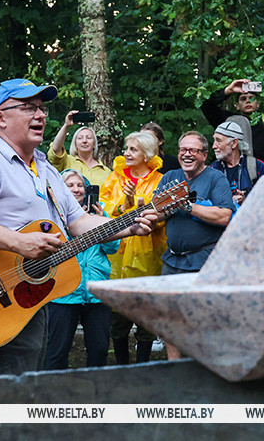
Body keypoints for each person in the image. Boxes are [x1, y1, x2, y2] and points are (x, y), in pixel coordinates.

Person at [0, 78, 157, 377]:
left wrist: (129, 225)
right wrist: (17, 242)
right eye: (28, 107)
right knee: (11, 394)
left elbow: (79, 222)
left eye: (41, 108)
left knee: (33, 387)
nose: (40, 115)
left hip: (35, 297)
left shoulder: (47, 169)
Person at [157, 131, 234, 360]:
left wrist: (187, 206)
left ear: (204, 155)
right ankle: (175, 367)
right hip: (172, 260)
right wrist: (152, 208)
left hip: (204, 261)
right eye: (182, 150)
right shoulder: (170, 176)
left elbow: (224, 216)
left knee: (202, 319)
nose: (187, 154)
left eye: (193, 150)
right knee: (171, 319)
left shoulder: (215, 178)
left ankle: (203, 368)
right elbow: (157, 211)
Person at [99, 131, 167, 364]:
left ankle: (144, 369)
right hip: (117, 257)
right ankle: (121, 367)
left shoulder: (160, 181)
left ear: (147, 154)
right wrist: (125, 204)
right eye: (126, 148)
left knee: (146, 318)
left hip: (148, 256)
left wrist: (149, 215)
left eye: (133, 149)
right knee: (117, 321)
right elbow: (104, 214)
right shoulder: (114, 179)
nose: (126, 153)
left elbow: (165, 217)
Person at [44, 170, 119, 370]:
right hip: (64, 292)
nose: (76, 189)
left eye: (79, 185)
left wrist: (102, 223)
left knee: (100, 349)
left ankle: (93, 393)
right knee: (57, 350)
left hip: (96, 291)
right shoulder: (51, 214)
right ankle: (53, 396)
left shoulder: (99, 212)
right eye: (70, 185)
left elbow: (113, 248)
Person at [200, 78, 264, 176]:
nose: (248, 101)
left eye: (251, 98)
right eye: (243, 99)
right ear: (237, 106)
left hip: (252, 180)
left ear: (257, 104)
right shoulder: (227, 122)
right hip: (224, 175)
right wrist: (228, 90)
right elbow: (207, 106)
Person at [210, 121, 264, 206]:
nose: (214, 146)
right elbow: (203, 200)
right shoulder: (212, 169)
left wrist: (246, 201)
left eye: (218, 140)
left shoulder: (257, 167)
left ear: (234, 143)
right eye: (214, 140)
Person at [48, 112, 112, 186]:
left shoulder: (106, 172)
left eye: (89, 138)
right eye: (80, 138)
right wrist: (66, 125)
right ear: (75, 144)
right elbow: (55, 150)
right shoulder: (66, 161)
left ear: (94, 144)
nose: (84, 141)